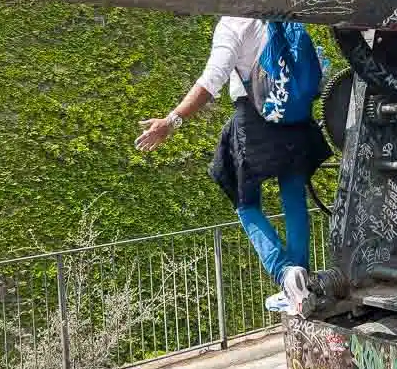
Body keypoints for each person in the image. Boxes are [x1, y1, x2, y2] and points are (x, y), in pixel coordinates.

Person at [134, 16, 331, 315]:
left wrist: (171, 121)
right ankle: (300, 282)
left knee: (245, 201)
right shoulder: (274, 3)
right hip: (294, 115)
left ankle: (285, 274)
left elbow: (212, 79)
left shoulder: (233, 24)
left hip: (255, 119)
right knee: (293, 195)